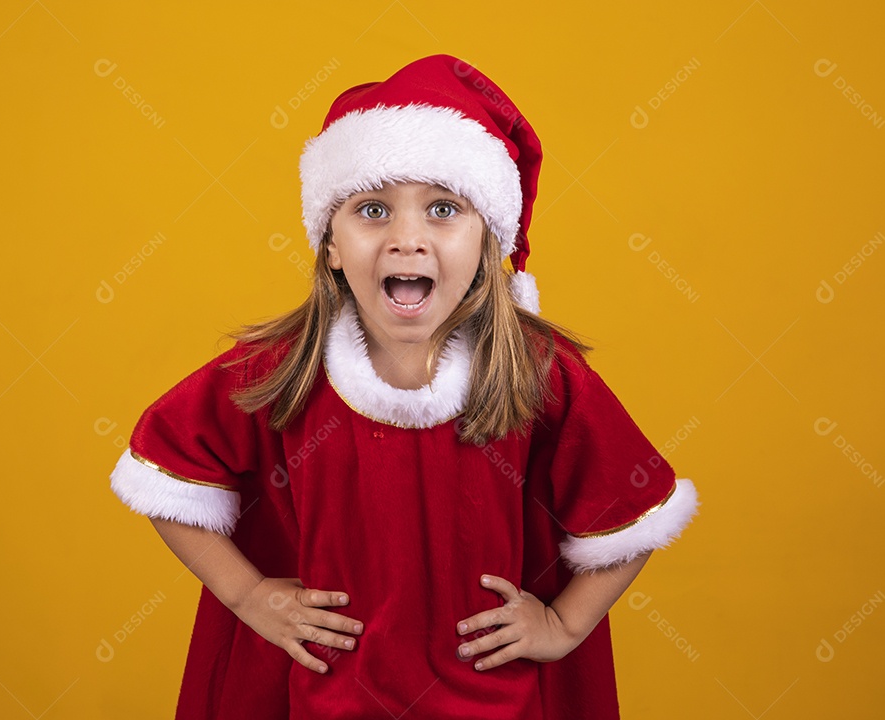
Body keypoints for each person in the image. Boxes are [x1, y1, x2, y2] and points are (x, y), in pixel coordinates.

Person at [109, 54, 699, 720]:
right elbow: (162, 470)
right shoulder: (276, 373)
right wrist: (246, 596)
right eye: (373, 208)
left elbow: (637, 507)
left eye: (443, 209)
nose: (407, 239)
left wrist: (563, 626)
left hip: (492, 703)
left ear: (488, 241)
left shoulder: (540, 375)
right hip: (319, 698)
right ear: (330, 243)